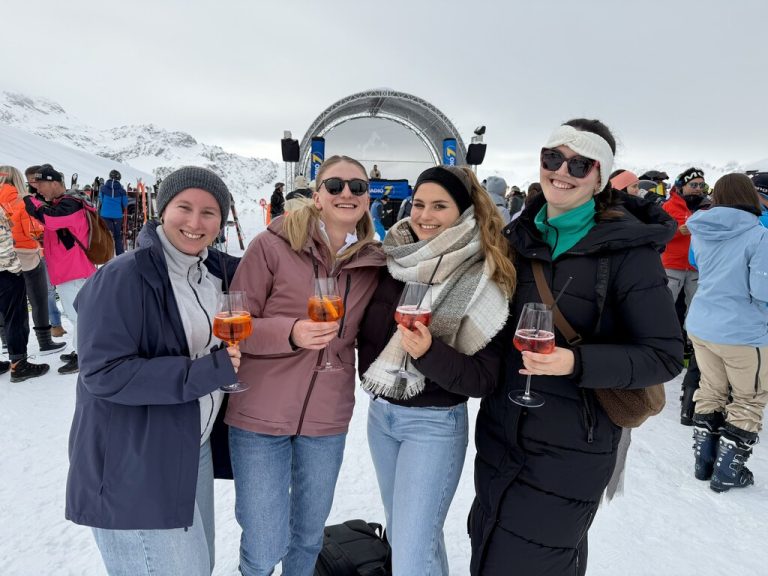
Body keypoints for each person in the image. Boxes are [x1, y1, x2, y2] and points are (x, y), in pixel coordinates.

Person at [470, 119, 684, 576]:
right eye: (553, 158)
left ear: (600, 177)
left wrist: (575, 361)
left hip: (572, 446)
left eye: (579, 163)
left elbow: (665, 355)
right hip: (500, 435)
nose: (562, 171)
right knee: (489, 544)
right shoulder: (518, 238)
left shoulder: (628, 252)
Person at [65, 166, 241, 575]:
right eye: (184, 207)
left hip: (188, 448)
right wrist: (208, 371)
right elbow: (104, 373)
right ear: (162, 210)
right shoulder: (123, 276)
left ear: (222, 220)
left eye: (209, 212)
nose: (195, 223)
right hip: (135, 461)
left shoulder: (213, 270)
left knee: (200, 566)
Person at [225, 155, 384, 576]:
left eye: (357, 186)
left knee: (309, 538)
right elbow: (236, 327)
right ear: (316, 196)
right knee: (264, 544)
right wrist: (290, 333)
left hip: (325, 419)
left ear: (369, 198)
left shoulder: (374, 262)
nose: (346, 193)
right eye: (334, 185)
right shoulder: (271, 246)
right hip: (260, 415)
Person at [357, 165, 516, 575]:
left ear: (463, 212)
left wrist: (428, 353)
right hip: (382, 418)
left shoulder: (485, 274)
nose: (424, 215)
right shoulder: (394, 258)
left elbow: (483, 379)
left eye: (440, 206)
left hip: (433, 424)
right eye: (420, 203)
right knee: (409, 539)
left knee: (411, 554)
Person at [686, 173, 768, 493]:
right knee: (749, 397)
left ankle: (704, 462)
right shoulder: (758, 235)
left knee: (711, 390)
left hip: (703, 324)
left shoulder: (702, 228)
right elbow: (761, 289)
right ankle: (728, 473)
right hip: (742, 331)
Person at [24, 164, 97, 374]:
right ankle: (81, 350)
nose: (38, 190)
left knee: (78, 315)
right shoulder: (65, 202)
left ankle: (85, 357)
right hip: (71, 268)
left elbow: (50, 218)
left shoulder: (70, 204)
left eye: (41, 185)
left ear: (55, 183)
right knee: (79, 313)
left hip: (73, 270)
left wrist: (30, 201)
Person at [0, 166, 66, 358]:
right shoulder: (22, 201)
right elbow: (35, 230)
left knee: (8, 303)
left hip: (4, 256)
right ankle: (45, 342)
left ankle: (6, 342)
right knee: (38, 298)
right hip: (27, 254)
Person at [0, 206, 50, 381]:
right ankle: (19, 364)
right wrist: (16, 269)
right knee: (15, 316)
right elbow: (3, 245)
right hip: (5, 271)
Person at [98, 169, 129, 256]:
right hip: (117, 216)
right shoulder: (122, 191)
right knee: (117, 236)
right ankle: (120, 255)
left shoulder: (103, 188)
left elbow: (101, 200)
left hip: (104, 215)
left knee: (106, 234)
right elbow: (125, 204)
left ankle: (105, 254)